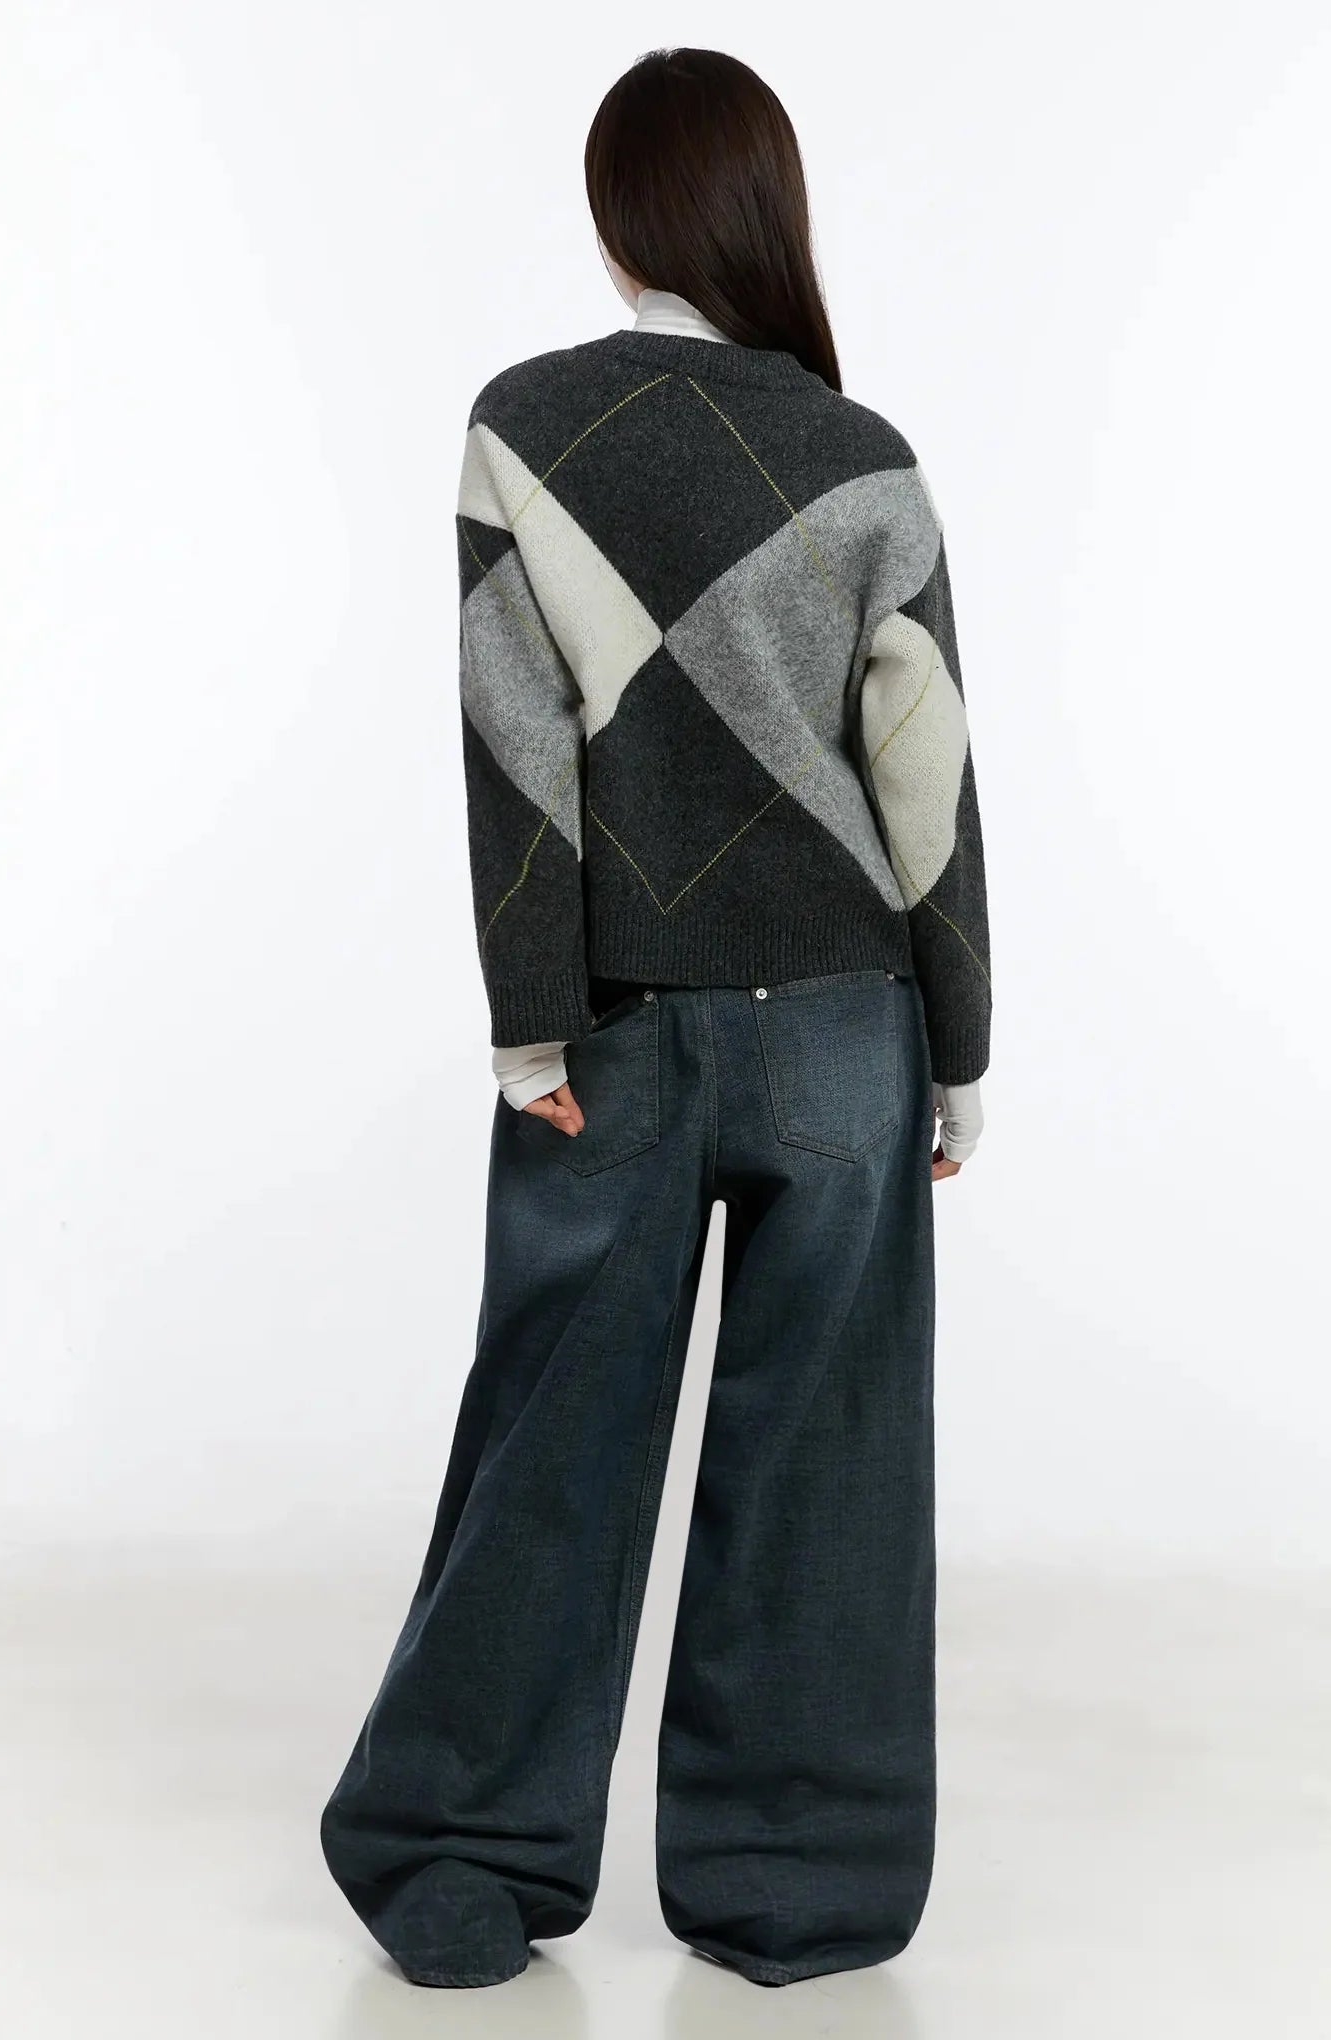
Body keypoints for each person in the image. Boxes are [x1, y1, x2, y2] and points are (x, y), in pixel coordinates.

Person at [319, 45, 992, 1992]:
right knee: (828, 1465)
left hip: (615, 1027)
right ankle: (802, 1897)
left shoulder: (525, 428)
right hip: (848, 1030)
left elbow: (512, 740)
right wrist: (957, 1046)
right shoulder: (865, 458)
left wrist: (531, 1026)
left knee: (554, 1443)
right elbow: (928, 775)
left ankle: (459, 1866)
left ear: (621, 221)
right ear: (769, 211)